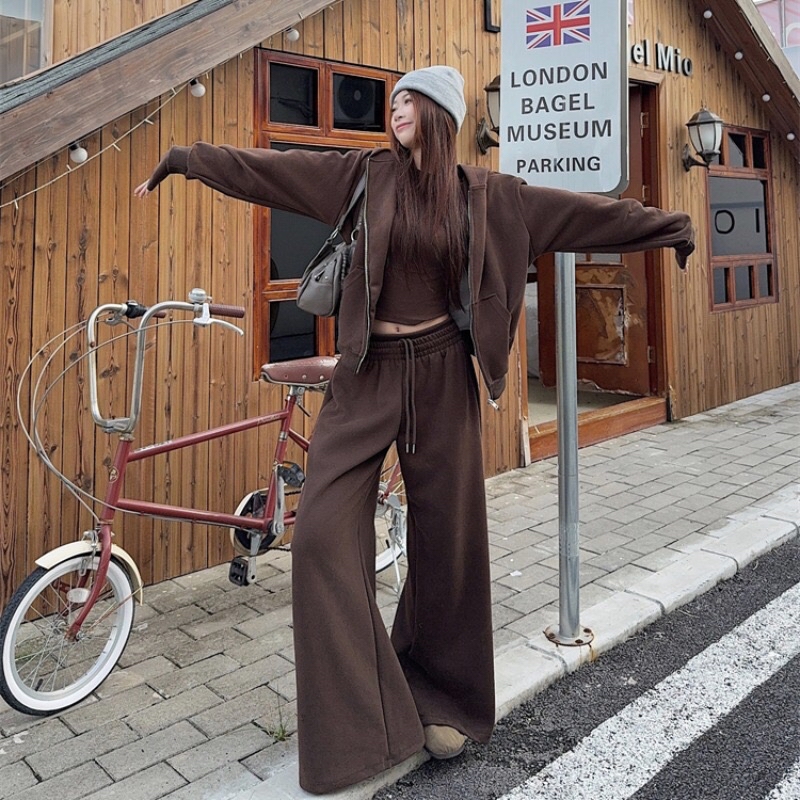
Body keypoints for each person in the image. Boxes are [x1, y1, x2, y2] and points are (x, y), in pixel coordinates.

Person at [135, 65, 694, 794]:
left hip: (441, 374)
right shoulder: (363, 177)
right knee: (321, 540)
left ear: (440, 114)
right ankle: (364, 722)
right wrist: (187, 159)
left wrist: (670, 228)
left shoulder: (490, 196)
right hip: (366, 375)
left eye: (411, 99)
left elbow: (586, 214)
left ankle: (443, 699)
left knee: (447, 542)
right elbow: (269, 171)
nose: (396, 107)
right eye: (394, 98)